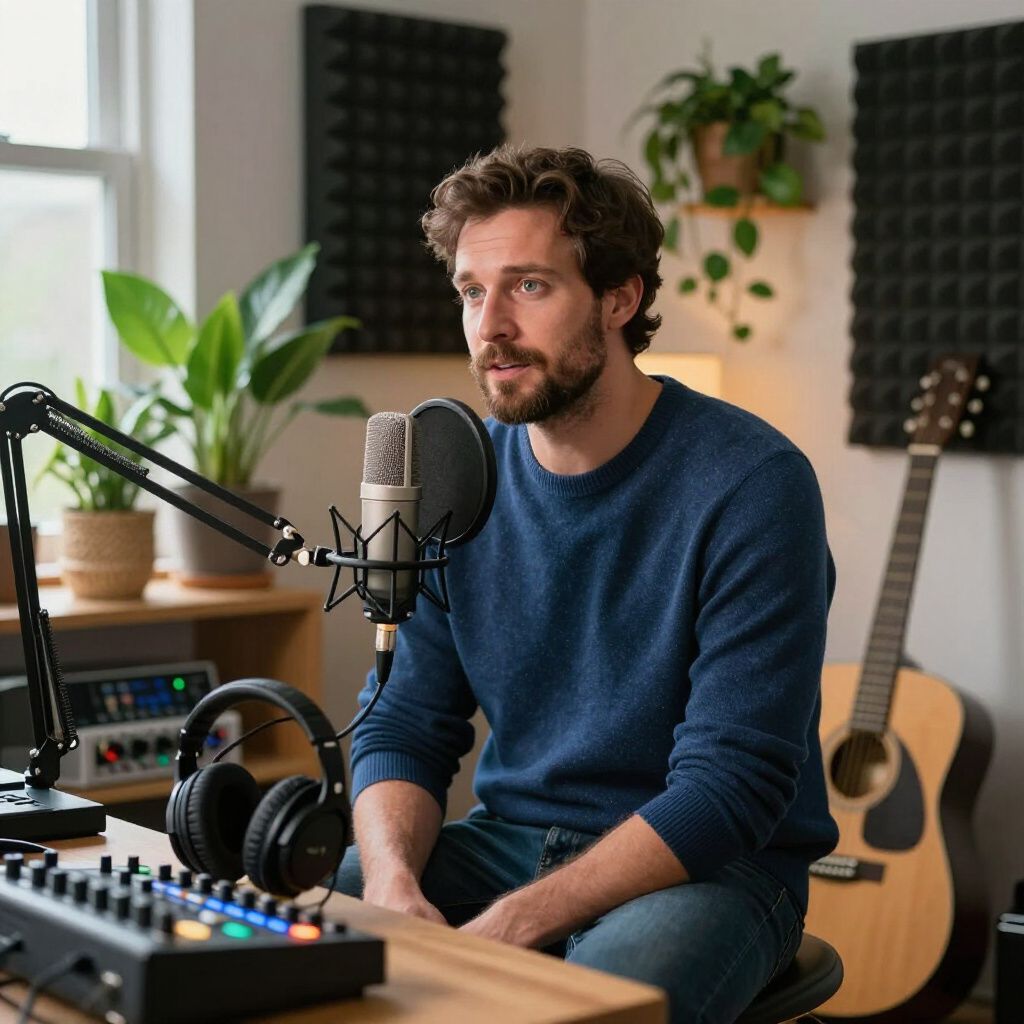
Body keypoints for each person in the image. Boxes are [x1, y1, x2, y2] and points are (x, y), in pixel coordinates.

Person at [334, 144, 838, 1024]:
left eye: (528, 286)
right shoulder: (455, 477)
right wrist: (391, 884)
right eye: (470, 291)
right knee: (312, 922)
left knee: (587, 1003)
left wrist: (512, 924)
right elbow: (407, 720)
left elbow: (729, 789)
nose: (489, 326)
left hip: (707, 867)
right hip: (504, 841)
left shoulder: (753, 483)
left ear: (619, 297)